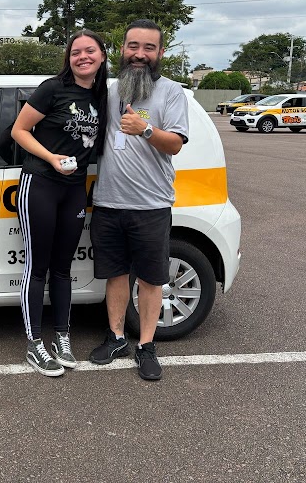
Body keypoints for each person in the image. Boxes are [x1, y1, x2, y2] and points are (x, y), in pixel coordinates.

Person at [89, 19, 189, 381]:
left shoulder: (172, 93)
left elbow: (175, 143)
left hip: (151, 206)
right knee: (115, 275)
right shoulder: (112, 91)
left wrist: (145, 129)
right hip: (109, 202)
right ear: (122, 49)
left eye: (149, 48)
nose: (140, 54)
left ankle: (146, 345)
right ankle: (116, 337)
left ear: (160, 53)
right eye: (134, 46)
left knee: (149, 279)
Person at [11, 30, 108, 377]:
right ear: (68, 58)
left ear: (101, 55)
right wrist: (51, 157)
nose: (82, 56)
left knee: (63, 267)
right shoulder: (52, 88)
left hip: (75, 189)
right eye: (76, 52)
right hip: (40, 183)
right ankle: (35, 344)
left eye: (90, 51)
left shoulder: (101, 94)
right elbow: (19, 131)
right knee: (37, 267)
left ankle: (62, 338)